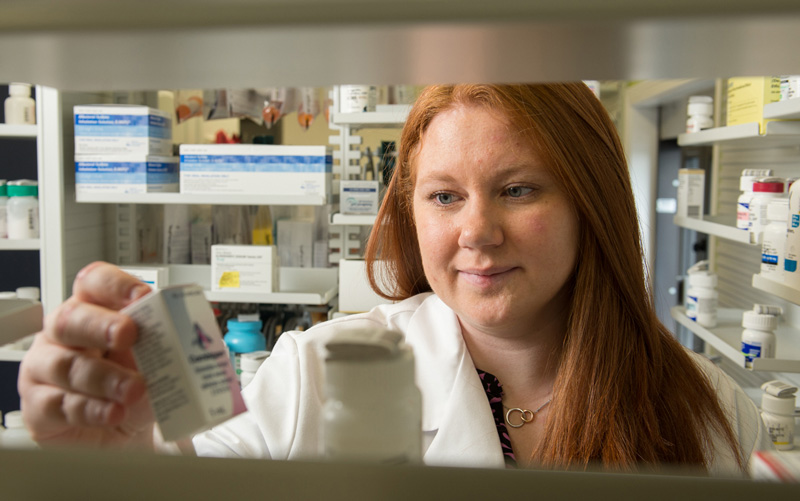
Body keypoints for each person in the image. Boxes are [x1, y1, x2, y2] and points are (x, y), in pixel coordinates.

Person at [18, 83, 771, 473]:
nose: (475, 230)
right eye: (444, 196)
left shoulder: (709, 409)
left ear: (592, 203)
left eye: (518, 188)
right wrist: (118, 463)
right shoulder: (314, 372)